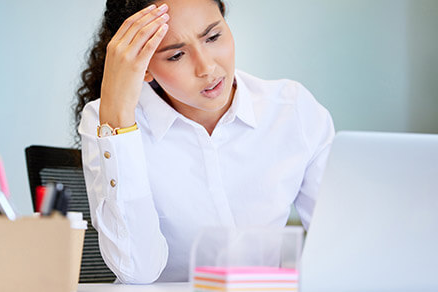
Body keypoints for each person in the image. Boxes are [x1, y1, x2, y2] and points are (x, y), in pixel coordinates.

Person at [75, 0, 334, 284]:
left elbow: (345, 244)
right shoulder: (106, 120)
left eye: (213, 37)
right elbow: (137, 271)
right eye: (176, 55)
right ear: (142, 65)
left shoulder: (291, 109)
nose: (207, 68)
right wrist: (118, 118)